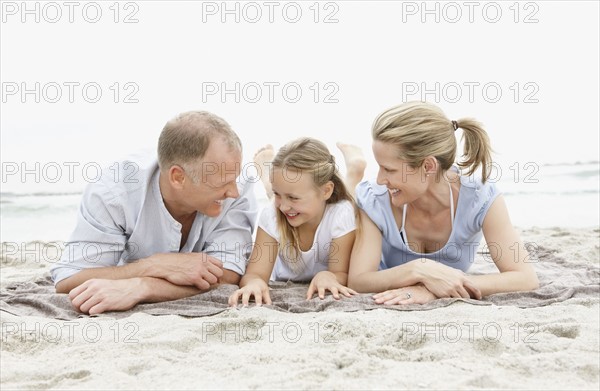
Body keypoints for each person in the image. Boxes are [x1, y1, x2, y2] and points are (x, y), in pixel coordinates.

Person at [50, 111, 258, 315]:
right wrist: (153, 266)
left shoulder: (238, 183)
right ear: (178, 177)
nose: (234, 192)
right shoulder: (113, 193)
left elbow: (228, 275)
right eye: (222, 184)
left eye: (234, 178)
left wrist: (143, 287)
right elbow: (69, 279)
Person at [348, 101, 539, 305]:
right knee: (342, 206)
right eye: (379, 167)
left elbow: (525, 277)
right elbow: (359, 280)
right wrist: (420, 269)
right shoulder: (375, 199)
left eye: (390, 170)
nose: (380, 179)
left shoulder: (480, 198)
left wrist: (436, 289)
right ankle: (353, 171)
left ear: (428, 166)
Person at [228, 138, 361, 306]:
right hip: (298, 210)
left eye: (293, 197)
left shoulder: (341, 214)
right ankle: (270, 181)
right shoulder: (273, 214)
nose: (283, 206)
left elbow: (341, 272)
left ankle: (353, 174)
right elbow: (255, 274)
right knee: (277, 205)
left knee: (349, 203)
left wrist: (328, 276)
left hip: (331, 205)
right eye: (278, 194)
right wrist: (254, 282)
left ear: (326, 191)